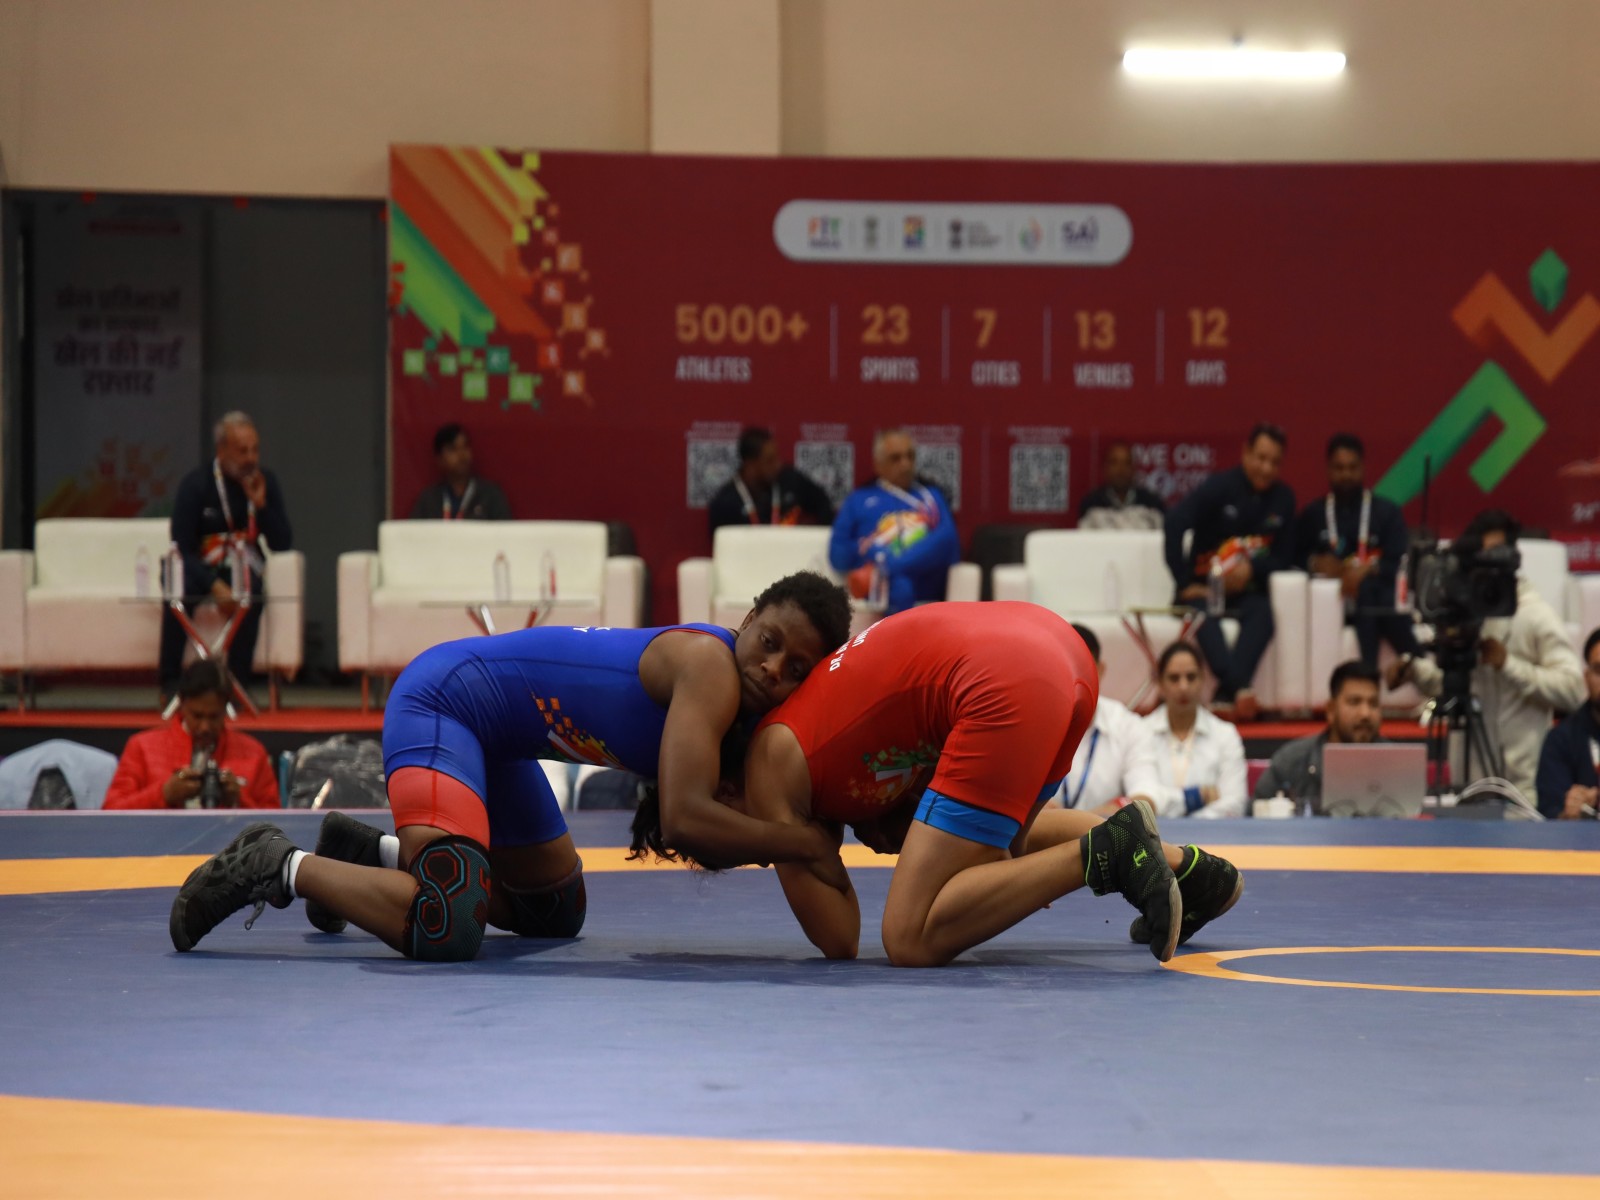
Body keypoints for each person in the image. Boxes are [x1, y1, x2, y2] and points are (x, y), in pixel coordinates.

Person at [168, 573, 854, 959]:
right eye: (768, 642)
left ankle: (371, 854)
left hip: (499, 739)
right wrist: (803, 842)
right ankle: (276, 863)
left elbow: (703, 826)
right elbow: (686, 820)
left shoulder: (735, 709)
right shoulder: (710, 668)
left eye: (796, 669)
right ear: (748, 616)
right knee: (447, 923)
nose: (772, 668)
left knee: (554, 910)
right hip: (444, 701)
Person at [631, 602, 1243, 965]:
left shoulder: (770, 758)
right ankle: (1189, 870)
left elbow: (839, 937)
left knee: (910, 934)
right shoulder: (826, 733)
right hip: (1058, 655)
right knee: (999, 849)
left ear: (725, 786)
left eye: (730, 840)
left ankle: (1106, 853)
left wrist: (797, 843)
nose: (746, 855)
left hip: (1003, 681)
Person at [1386, 510, 1585, 797]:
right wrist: (1415, 671)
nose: (1487, 562)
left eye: (1496, 553)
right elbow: (1455, 684)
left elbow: (1572, 689)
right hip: (1469, 782)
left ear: (1513, 557)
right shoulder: (1466, 614)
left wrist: (1509, 664)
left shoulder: (1535, 615)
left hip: (1521, 786)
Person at [1164, 423, 1295, 721]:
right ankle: (1240, 689)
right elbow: (1174, 523)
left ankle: (1227, 692)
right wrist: (1184, 582)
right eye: (1260, 458)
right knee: (1204, 620)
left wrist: (1252, 569)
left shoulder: (1283, 499)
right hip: (1202, 590)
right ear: (1246, 453)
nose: (1266, 468)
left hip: (1247, 594)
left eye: (1274, 462)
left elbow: (1285, 557)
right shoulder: (1218, 487)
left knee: (1265, 615)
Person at [160, 412, 293, 700]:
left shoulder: (264, 482)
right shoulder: (196, 484)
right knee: (177, 589)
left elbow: (283, 543)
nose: (250, 458)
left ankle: (235, 684)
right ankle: (170, 683)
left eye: (255, 450)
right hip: (199, 565)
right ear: (221, 450)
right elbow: (181, 546)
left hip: (242, 565)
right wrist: (213, 585)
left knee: (252, 592)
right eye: (242, 451)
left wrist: (261, 506)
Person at [1294, 433, 1418, 669]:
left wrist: (1369, 569)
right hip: (1329, 608)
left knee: (1371, 590)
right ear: (1328, 470)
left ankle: (1369, 670)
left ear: (1363, 468)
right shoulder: (1313, 515)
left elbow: (1399, 563)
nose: (1346, 475)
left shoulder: (1386, 512)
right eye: (1339, 468)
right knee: (1371, 593)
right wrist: (1315, 563)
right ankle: (1418, 660)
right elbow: (1291, 557)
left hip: (1376, 603)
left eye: (1352, 467)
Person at [105, 660, 279, 809]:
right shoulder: (142, 747)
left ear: (226, 709)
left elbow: (278, 828)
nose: (205, 727)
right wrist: (163, 794)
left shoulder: (254, 753)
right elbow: (110, 814)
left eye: (214, 717)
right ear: (181, 705)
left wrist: (239, 800)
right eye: (197, 716)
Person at [829, 429, 959, 614]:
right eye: (895, 458)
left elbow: (949, 543)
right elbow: (837, 555)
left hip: (926, 579)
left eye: (910, 456)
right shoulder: (858, 500)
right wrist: (869, 550)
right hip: (882, 586)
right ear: (878, 465)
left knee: (904, 578)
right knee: (900, 586)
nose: (905, 464)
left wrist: (890, 563)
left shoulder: (930, 496)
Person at [1052, 624, 1159, 815]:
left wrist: (1070, 823)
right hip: (1042, 842)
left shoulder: (1128, 726)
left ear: (1099, 670)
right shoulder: (1030, 726)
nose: (1074, 677)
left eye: (1082, 667)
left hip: (1109, 842)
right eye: (1064, 666)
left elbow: (1145, 802)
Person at [1253, 661, 1385, 814]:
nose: (1365, 713)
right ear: (1331, 710)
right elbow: (1254, 816)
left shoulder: (1400, 765)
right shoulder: (1291, 762)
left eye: (1373, 704)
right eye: (1354, 702)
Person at [1133, 642, 1249, 819]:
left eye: (1191, 677)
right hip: (1151, 840)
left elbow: (1235, 804)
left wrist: (1191, 825)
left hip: (1212, 840)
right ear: (1159, 683)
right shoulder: (1141, 731)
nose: (1183, 687)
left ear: (1203, 679)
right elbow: (1142, 800)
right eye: (1174, 678)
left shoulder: (1225, 735)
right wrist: (1198, 797)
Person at [706, 427, 834, 536]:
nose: (778, 465)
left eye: (777, 457)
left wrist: (807, 534)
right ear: (750, 465)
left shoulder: (791, 481)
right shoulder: (725, 503)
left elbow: (824, 507)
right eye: (770, 460)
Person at [1533, 627, 1600, 819]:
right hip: (1581, 845)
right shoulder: (1561, 739)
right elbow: (1549, 819)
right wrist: (1570, 814)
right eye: (1599, 669)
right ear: (1586, 676)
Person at [408, 422, 512, 521]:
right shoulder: (428, 501)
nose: (462, 455)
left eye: (465, 447)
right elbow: (412, 536)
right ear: (440, 460)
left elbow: (506, 536)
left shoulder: (491, 496)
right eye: (452, 449)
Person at [1078, 440, 1165, 531]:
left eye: (1126, 463)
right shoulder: (1091, 504)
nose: (1120, 470)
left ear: (1134, 468)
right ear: (1105, 468)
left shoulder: (1152, 503)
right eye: (1114, 463)